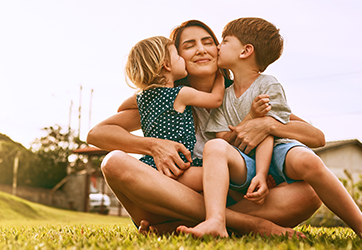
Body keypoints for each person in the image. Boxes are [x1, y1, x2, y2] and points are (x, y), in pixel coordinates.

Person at [178, 18, 362, 242]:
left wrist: (263, 157)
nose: (217, 47)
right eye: (189, 45)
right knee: (215, 146)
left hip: (275, 150)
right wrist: (251, 122)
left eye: (222, 41)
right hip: (242, 166)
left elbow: (286, 133)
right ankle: (219, 221)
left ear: (246, 51)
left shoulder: (267, 86)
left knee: (308, 162)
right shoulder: (218, 97)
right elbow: (224, 141)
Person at [87, 20, 324, 237]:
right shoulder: (168, 99)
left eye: (209, 42)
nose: (201, 49)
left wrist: (268, 124)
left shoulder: (244, 95)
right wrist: (152, 145)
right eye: (189, 45)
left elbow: (316, 137)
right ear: (172, 59)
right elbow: (97, 133)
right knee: (113, 162)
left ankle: (185, 225)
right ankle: (247, 224)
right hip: (169, 198)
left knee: (309, 194)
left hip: (238, 198)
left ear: (219, 50)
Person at [123, 36, 224, 177]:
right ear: (167, 65)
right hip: (181, 166)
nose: (181, 58)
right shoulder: (180, 93)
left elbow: (121, 108)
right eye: (177, 56)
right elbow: (216, 99)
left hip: (153, 164)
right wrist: (220, 75)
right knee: (222, 178)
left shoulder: (142, 98)